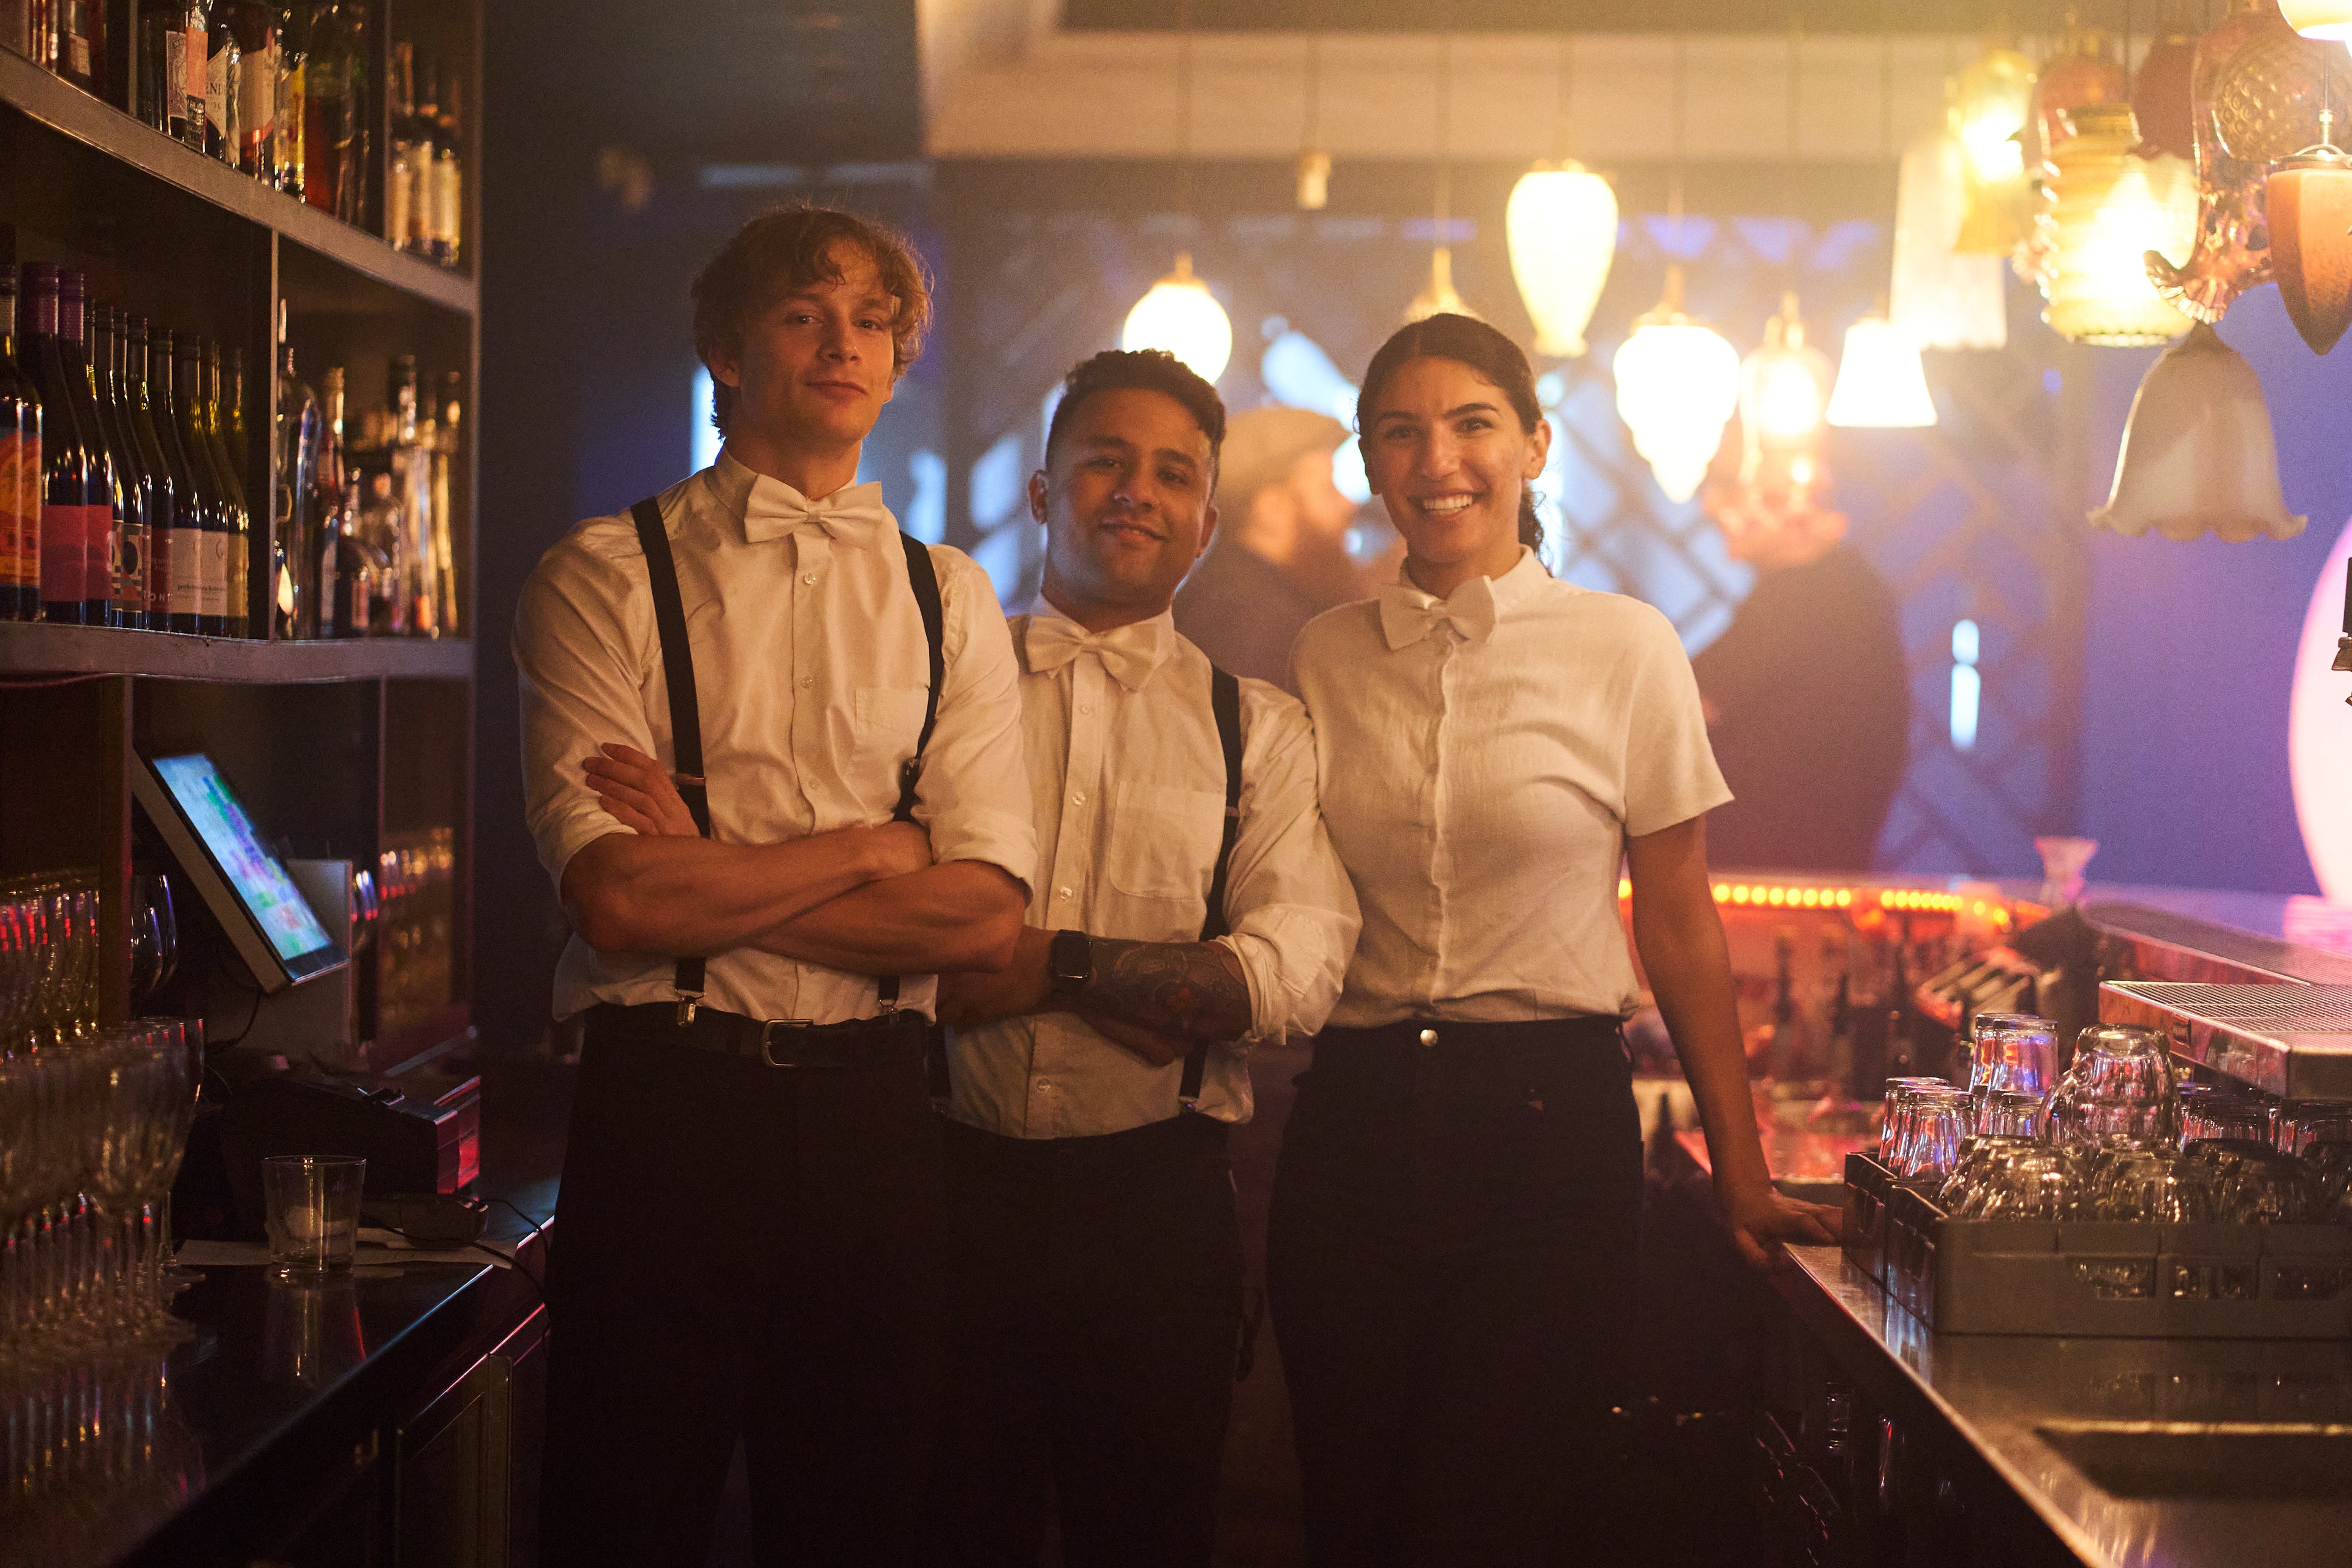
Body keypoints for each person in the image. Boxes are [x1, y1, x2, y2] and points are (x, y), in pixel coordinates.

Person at [1267, 313, 1842, 1566]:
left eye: (1474, 424)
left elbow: (1680, 919)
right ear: (1373, 465)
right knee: (1352, 1516)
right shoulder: (1325, 654)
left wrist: (1738, 1167)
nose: (1440, 460)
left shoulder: (1625, 645)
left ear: (1532, 443)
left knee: (1502, 1515)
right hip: (1353, 1126)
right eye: (1402, 433)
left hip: (1546, 1134)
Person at [513, 207, 1036, 1567]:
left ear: (901, 359)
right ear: (725, 349)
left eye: (874, 318)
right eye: (807, 312)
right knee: (620, 1516)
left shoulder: (951, 596)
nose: (845, 341)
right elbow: (622, 904)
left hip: (878, 1119)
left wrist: (719, 860)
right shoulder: (603, 572)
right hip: (668, 1110)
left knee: (861, 1526)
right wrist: (872, 848)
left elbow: (983, 914)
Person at [911, 349, 1362, 1566]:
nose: (1135, 490)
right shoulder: (933, 688)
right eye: (1104, 458)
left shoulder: (1261, 728)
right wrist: (1163, 990)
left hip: (1155, 1212)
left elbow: (1285, 980)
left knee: (1150, 1536)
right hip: (936, 1189)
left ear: (1206, 521)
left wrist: (1049, 963)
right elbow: (883, 922)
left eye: (1172, 473)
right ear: (1045, 490)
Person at [1689, 488, 1910, 872]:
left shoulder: (1806, 592)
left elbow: (1682, 704)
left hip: (1773, 859)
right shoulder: (1850, 583)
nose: (1711, 504)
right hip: (1819, 850)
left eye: (1729, 487)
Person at [1172, 406, 1380, 693]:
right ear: (1272, 509)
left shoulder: (1236, 599)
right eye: (1328, 489)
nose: (1349, 505)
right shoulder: (1254, 629)